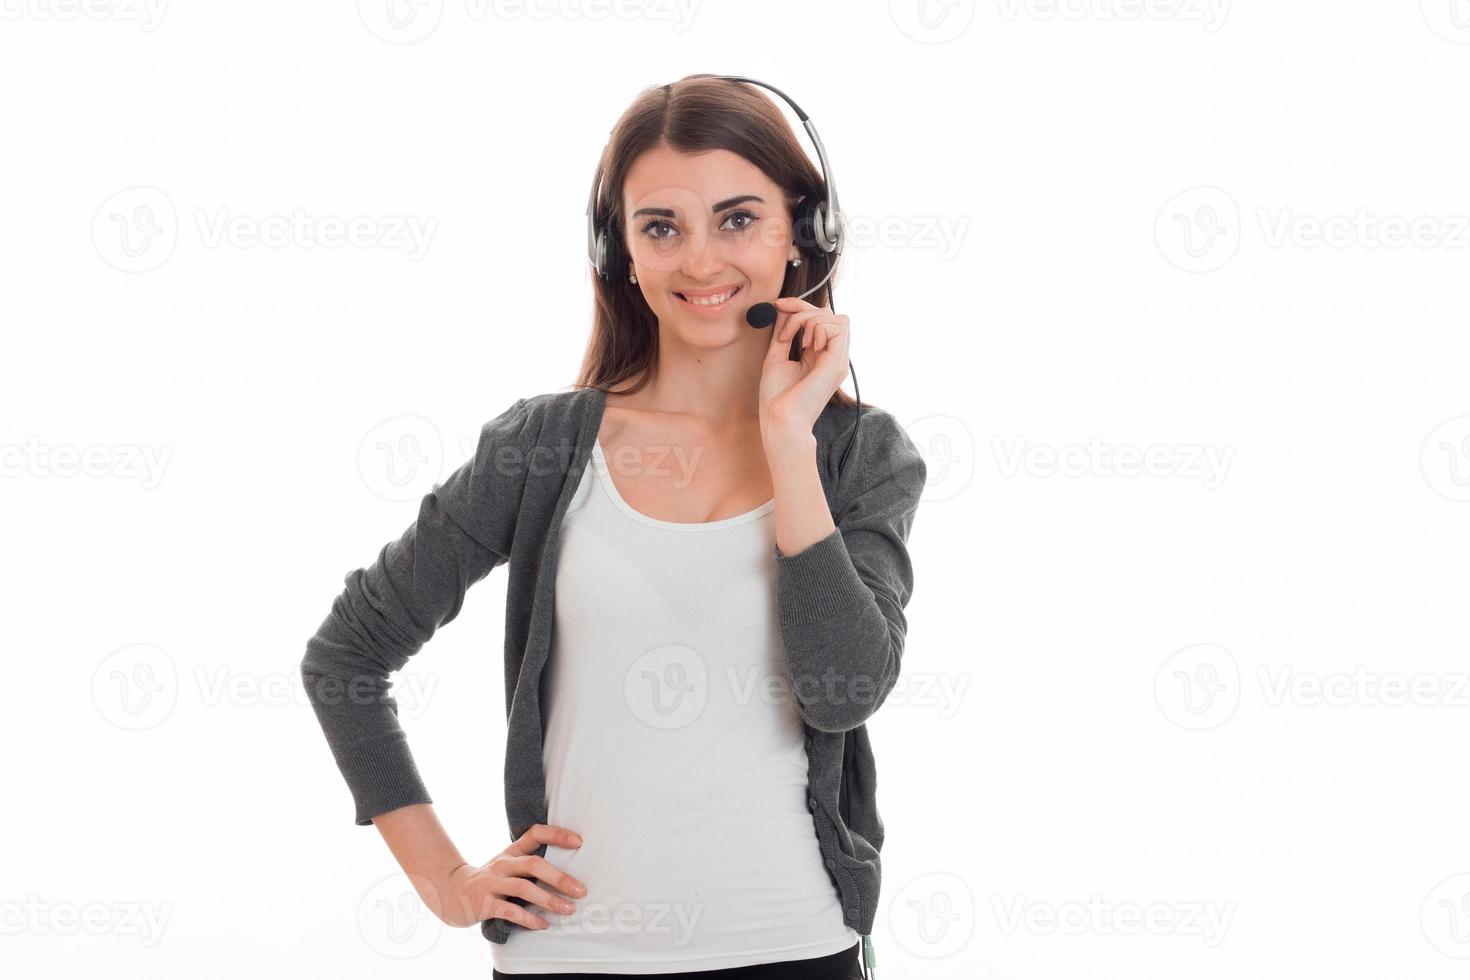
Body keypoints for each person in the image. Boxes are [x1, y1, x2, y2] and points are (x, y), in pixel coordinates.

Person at [301, 74, 926, 979]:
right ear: (620, 249)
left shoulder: (857, 455)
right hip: (569, 957)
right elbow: (348, 654)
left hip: (793, 947)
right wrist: (446, 880)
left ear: (804, 232)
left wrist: (788, 437)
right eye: (661, 227)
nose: (700, 261)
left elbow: (844, 689)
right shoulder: (540, 449)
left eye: (738, 218)